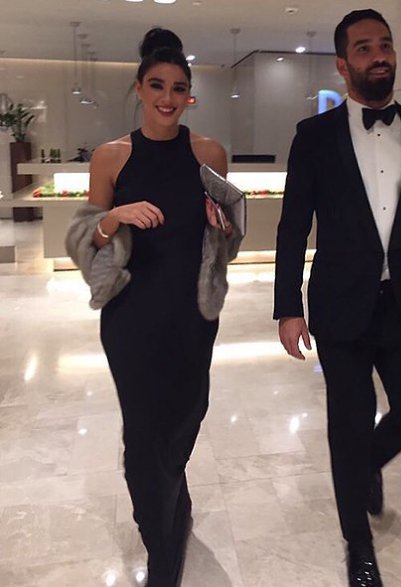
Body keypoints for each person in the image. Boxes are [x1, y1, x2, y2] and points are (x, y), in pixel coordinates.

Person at [274, 9, 401, 587]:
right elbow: (292, 226)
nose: (379, 55)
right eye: (363, 48)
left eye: (385, 44)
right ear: (342, 63)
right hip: (339, 305)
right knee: (348, 426)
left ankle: (367, 465)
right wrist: (287, 306)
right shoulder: (314, 137)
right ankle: (358, 544)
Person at [66, 28, 240, 587]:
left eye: (179, 88)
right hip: (131, 318)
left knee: (186, 417)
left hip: (193, 317)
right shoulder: (111, 157)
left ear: (190, 95)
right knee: (143, 435)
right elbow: (84, 240)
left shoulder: (209, 154)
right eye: (157, 85)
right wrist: (113, 217)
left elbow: (228, 238)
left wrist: (223, 225)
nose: (168, 97)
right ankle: (160, 544)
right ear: (140, 88)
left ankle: (175, 497)